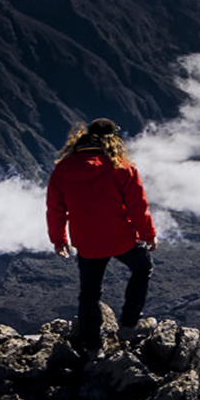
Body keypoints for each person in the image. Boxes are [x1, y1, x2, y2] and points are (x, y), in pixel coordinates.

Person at [45, 118, 158, 353]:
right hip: (121, 238)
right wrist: (149, 234)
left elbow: (56, 209)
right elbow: (138, 206)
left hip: (86, 242)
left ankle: (93, 347)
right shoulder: (122, 168)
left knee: (89, 293)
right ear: (113, 139)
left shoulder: (63, 170)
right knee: (142, 268)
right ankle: (129, 324)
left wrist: (59, 241)